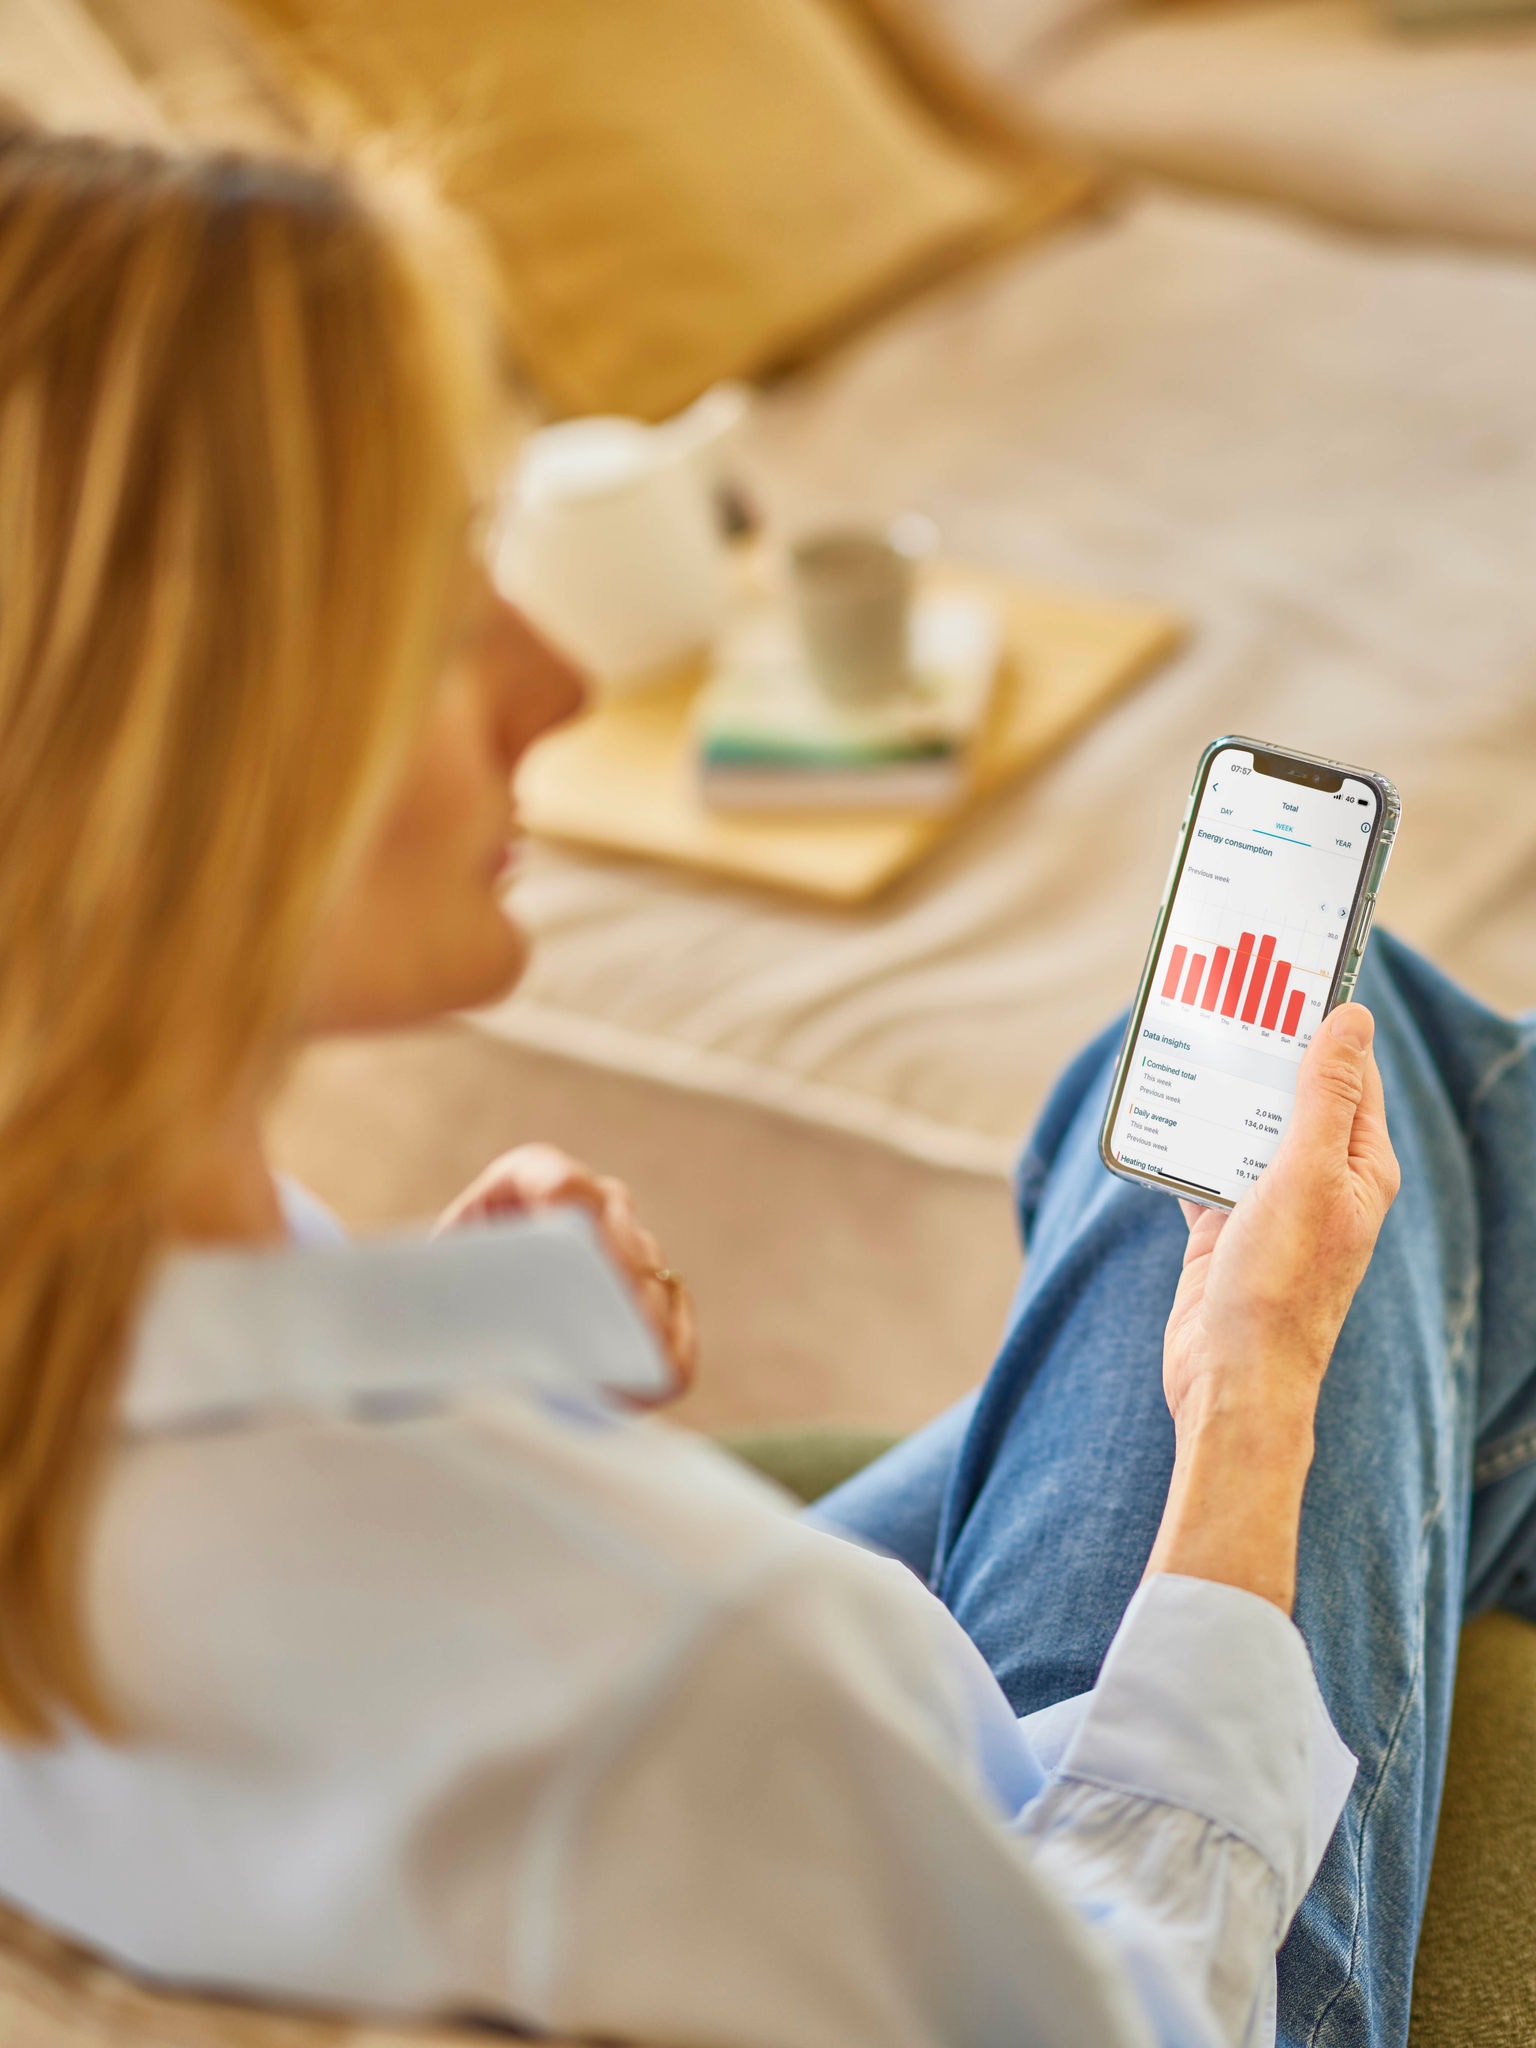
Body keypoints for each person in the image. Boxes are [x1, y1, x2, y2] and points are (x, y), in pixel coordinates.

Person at [0, 119, 1530, 2048]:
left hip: (671, 1842)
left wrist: (454, 1354)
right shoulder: (675, 1665)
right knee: (1365, 1081)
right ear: (162, 741)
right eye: (422, 596)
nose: (550, 683)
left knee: (1211, 1122)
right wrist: (1253, 1415)